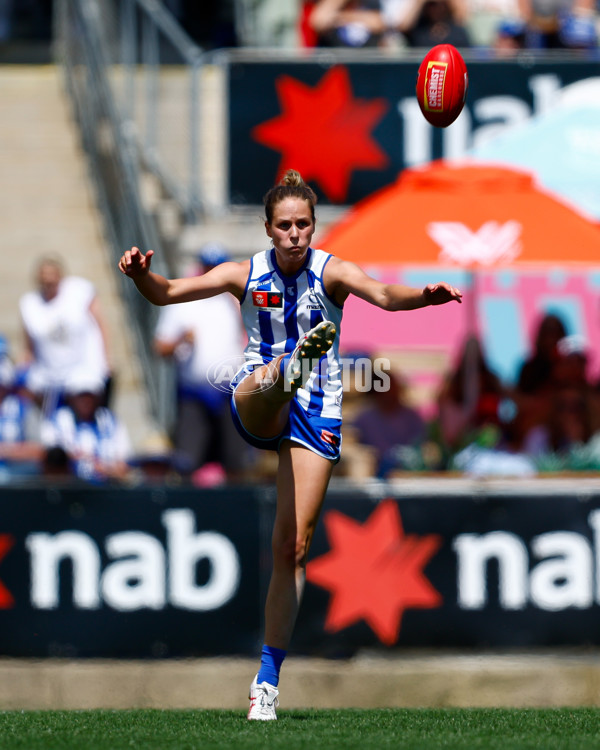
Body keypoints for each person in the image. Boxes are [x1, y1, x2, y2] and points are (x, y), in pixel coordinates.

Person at [118, 168, 462, 720]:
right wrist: (140, 275)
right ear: (268, 229)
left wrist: (424, 296)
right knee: (270, 375)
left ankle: (267, 681)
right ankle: (292, 365)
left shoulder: (334, 272)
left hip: (316, 413)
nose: (296, 233)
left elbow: (385, 296)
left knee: (292, 548)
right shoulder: (242, 273)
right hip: (259, 399)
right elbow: (166, 295)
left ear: (313, 226)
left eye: (304, 224)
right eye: (285, 225)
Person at [153, 243, 249, 482]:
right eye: (208, 267)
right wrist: (180, 340)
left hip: (231, 392)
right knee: (188, 461)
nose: (213, 273)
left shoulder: (234, 301)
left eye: (217, 267)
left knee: (237, 462)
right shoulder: (185, 300)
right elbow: (160, 347)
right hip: (194, 394)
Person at [19, 255, 112, 415]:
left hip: (83, 369)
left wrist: (107, 356)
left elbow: (100, 323)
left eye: (52, 275)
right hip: (51, 375)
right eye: (44, 276)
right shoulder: (29, 304)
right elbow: (29, 345)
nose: (48, 280)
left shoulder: (80, 291)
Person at [40, 371, 132, 484]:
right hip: (69, 490)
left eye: (90, 395)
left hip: (106, 490)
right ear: (71, 397)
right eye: (81, 395)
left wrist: (103, 469)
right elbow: (51, 460)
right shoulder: (57, 420)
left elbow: (123, 466)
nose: (86, 401)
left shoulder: (110, 420)